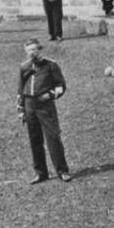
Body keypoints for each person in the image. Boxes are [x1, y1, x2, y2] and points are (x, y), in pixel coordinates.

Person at [18, 38, 71, 184]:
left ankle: (62, 171)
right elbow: (20, 90)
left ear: (39, 50)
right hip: (30, 105)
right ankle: (40, 173)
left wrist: (50, 94)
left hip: (45, 106)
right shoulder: (24, 67)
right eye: (28, 50)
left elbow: (61, 85)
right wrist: (21, 110)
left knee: (53, 137)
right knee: (35, 140)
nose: (31, 53)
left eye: (34, 49)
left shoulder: (51, 65)